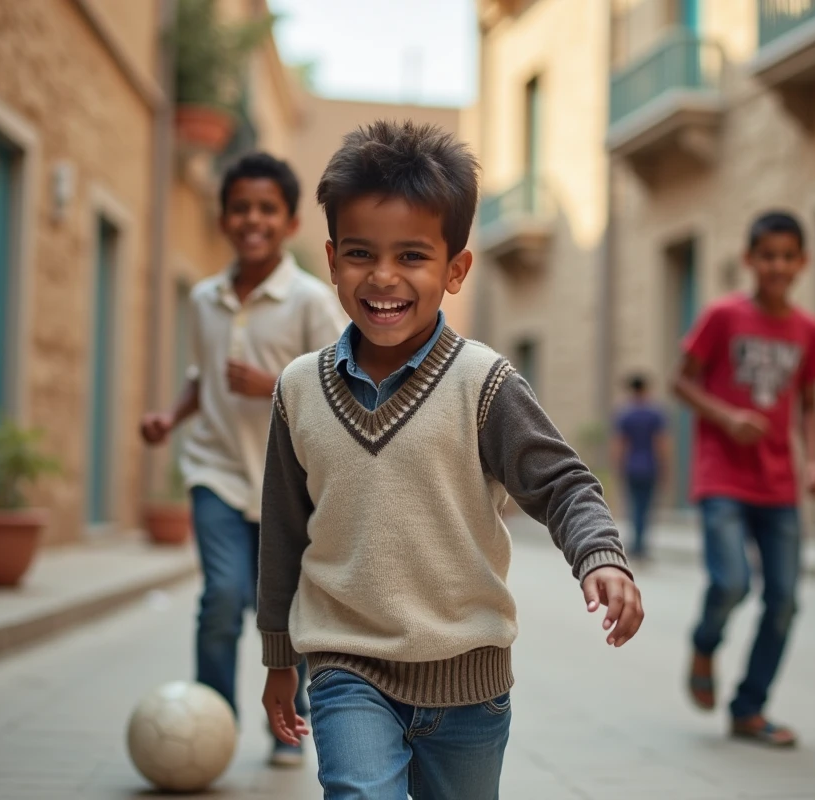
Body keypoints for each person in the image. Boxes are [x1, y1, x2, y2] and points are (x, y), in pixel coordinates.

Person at [255, 120, 644, 799]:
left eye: (411, 256)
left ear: (455, 269)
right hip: (347, 664)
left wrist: (600, 554)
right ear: (331, 258)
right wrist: (278, 658)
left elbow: (561, 483)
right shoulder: (297, 389)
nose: (382, 277)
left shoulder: (483, 383)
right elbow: (284, 531)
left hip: (471, 682)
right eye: (359, 254)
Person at [138, 152, 348, 768]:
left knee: (281, 610)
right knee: (224, 596)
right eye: (240, 208)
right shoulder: (203, 298)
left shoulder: (309, 300)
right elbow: (202, 376)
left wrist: (274, 386)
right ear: (224, 217)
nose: (252, 219)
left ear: (287, 224)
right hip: (216, 472)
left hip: (289, 485)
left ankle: (291, 722)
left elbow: (340, 377)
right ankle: (207, 725)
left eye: (266, 209)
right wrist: (170, 419)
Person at [672, 210, 815, 748]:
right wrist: (726, 418)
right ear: (750, 260)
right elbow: (681, 383)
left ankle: (749, 709)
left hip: (779, 484)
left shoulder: (809, 330)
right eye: (768, 256)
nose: (778, 266)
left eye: (789, 256)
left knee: (784, 600)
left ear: (803, 263)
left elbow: (811, 405)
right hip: (722, 477)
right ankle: (704, 643)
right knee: (732, 582)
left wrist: (814, 460)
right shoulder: (723, 316)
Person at [612, 373, 668, 559]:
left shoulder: (625, 414)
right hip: (650, 466)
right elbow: (660, 443)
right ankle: (640, 545)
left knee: (633, 506)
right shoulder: (655, 413)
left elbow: (621, 443)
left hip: (631, 467)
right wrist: (665, 467)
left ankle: (636, 545)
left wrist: (618, 466)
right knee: (645, 507)